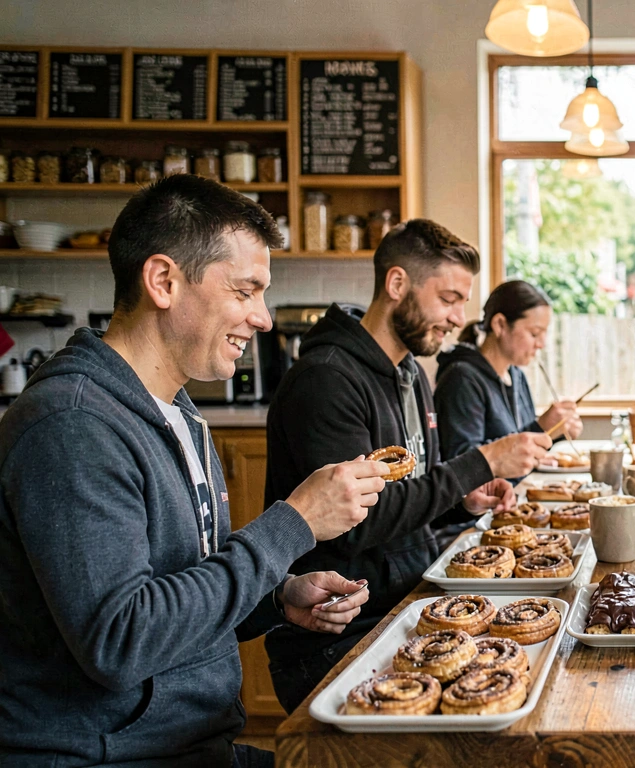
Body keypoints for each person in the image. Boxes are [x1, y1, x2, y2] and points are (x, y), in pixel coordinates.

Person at [0, 175, 384, 768]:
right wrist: (293, 524)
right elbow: (122, 641)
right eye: (245, 291)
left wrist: (276, 597)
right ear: (163, 281)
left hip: (195, 746)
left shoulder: (177, 411)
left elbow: (178, 588)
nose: (262, 319)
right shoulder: (72, 426)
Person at [264, 219, 551, 713]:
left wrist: (462, 502)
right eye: (449, 299)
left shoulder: (412, 373)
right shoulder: (326, 379)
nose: (459, 317)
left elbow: (415, 494)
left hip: (409, 607)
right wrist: (481, 463)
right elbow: (357, 524)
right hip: (340, 638)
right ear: (397, 284)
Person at [435, 279, 582, 468]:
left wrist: (557, 432)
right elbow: (463, 465)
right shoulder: (461, 379)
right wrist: (541, 429)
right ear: (500, 325)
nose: (541, 344)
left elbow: (522, 448)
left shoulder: (516, 376)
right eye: (534, 333)